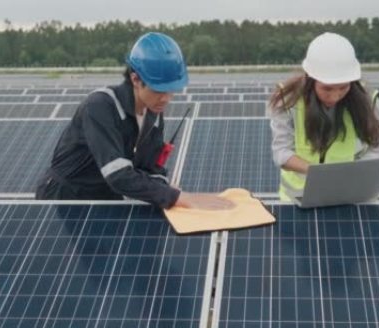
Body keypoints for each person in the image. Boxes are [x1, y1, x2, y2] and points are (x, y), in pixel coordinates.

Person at [36, 32, 233, 210]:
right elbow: (118, 175)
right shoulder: (100, 106)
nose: (166, 99)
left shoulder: (153, 112)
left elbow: (150, 169)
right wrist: (177, 197)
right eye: (158, 90)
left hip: (105, 196)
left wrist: (166, 191)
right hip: (64, 199)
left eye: (171, 90)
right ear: (136, 79)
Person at [268, 32, 379, 201]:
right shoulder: (288, 101)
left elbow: (376, 150)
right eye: (327, 89)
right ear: (311, 79)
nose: (335, 96)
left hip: (349, 197)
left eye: (343, 88)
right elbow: (281, 152)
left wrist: (352, 180)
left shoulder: (367, 101)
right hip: (298, 199)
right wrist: (320, 176)